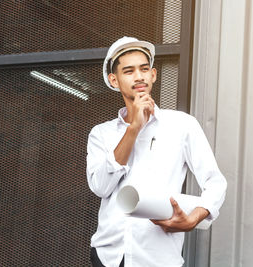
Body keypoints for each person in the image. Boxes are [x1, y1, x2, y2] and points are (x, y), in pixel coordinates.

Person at [87, 36, 227, 267]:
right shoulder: (101, 134)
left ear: (153, 75)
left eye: (144, 69)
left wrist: (194, 218)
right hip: (109, 256)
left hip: (158, 258)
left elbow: (216, 182)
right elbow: (101, 187)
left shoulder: (182, 125)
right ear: (114, 80)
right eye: (129, 71)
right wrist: (133, 129)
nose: (139, 76)